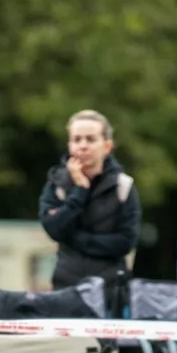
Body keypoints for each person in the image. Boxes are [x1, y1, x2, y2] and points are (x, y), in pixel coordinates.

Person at [38, 110, 141, 313]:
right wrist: (79, 193)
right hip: (65, 291)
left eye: (90, 139)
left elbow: (125, 242)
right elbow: (53, 229)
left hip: (111, 294)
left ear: (107, 146)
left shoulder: (123, 186)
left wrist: (76, 240)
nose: (83, 145)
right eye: (77, 139)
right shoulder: (56, 185)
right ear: (69, 145)